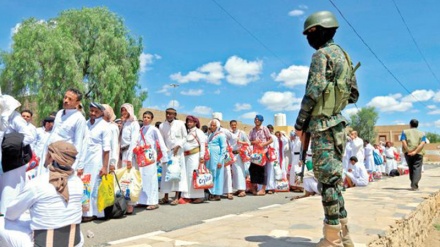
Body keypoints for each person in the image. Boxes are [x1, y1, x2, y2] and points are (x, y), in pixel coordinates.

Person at [294, 10, 359, 246]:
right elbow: (353, 94)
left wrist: (301, 122)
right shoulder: (344, 56)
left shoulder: (321, 56)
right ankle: (345, 235)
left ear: (319, 31)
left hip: (321, 125)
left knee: (328, 183)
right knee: (334, 181)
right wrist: (334, 103)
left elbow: (312, 91)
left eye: (310, 33)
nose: (309, 39)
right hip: (338, 124)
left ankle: (331, 239)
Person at [1, 141, 84, 247]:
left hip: (43, 244)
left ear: (51, 157)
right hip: (74, 243)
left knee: (2, 223)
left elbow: (11, 214)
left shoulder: (38, 183)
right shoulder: (78, 182)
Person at [0, 94, 36, 214]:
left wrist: (13, 147)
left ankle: (6, 217)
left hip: (13, 161)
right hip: (2, 159)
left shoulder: (16, 118)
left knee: (10, 190)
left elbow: (29, 136)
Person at [39, 88, 86, 176]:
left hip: (62, 157)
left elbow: (78, 143)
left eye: (70, 99)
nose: (65, 101)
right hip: (49, 152)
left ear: (77, 103)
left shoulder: (79, 118)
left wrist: (74, 165)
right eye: (65, 97)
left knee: (56, 183)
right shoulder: (60, 113)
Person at [82, 102, 110, 221]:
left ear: (101, 113)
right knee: (85, 185)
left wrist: (104, 166)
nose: (93, 113)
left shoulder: (105, 126)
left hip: (96, 160)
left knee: (94, 186)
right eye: (91, 110)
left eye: (96, 111)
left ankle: (93, 213)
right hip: (84, 159)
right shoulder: (85, 123)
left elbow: (107, 149)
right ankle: (84, 211)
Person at [136, 111, 169, 210]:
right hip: (142, 158)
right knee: (142, 178)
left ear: (151, 119)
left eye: (148, 117)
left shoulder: (154, 129)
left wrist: (164, 157)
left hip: (150, 158)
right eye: (144, 117)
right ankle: (142, 201)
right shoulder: (140, 129)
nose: (146, 119)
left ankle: (153, 202)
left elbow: (161, 143)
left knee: (151, 179)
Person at [159, 108, 188, 206]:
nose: (168, 115)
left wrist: (178, 146)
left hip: (178, 153)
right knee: (166, 174)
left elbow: (185, 137)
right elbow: (161, 139)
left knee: (177, 174)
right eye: (167, 113)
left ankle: (176, 197)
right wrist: (164, 150)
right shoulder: (162, 126)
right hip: (167, 153)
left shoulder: (180, 124)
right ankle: (166, 196)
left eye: (171, 114)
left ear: (175, 114)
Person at [182, 115, 206, 204]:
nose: (189, 123)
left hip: (195, 156)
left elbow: (202, 144)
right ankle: (188, 196)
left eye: (191, 122)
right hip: (187, 157)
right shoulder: (187, 132)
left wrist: (202, 156)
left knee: (195, 175)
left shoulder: (198, 132)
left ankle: (199, 196)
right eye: (188, 122)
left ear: (195, 123)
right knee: (187, 176)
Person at [248, 115, 272, 196]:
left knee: (263, 170)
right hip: (255, 153)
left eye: (258, 119)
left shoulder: (265, 129)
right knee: (253, 170)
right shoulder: (252, 130)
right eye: (255, 119)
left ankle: (263, 189)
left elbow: (271, 139)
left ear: (261, 121)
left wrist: (264, 144)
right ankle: (254, 187)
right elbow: (249, 141)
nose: (256, 121)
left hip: (263, 152)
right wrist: (254, 142)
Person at [400, 119, 427, 191]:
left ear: (410, 124)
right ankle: (414, 185)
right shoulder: (422, 133)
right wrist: (415, 152)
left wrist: (408, 150)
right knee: (417, 168)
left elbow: (403, 141)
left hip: (408, 153)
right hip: (418, 153)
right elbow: (422, 143)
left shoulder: (404, 132)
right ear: (417, 125)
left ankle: (413, 184)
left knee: (411, 168)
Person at [206, 119, 226, 201]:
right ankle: (212, 192)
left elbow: (223, 148)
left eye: (213, 125)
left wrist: (220, 160)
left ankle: (217, 194)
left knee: (218, 175)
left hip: (217, 158)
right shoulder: (211, 135)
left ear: (217, 126)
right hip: (211, 158)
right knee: (212, 174)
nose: (212, 127)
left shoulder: (221, 135)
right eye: (211, 125)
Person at [229, 120, 250, 197]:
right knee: (234, 172)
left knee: (240, 172)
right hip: (232, 155)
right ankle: (238, 189)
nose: (233, 126)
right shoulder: (230, 134)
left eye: (235, 125)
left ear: (237, 125)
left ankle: (242, 190)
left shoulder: (241, 133)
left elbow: (248, 143)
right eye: (232, 125)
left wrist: (240, 141)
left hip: (239, 154)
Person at [119, 103, 140, 169]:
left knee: (130, 176)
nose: (123, 112)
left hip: (130, 153)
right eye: (122, 110)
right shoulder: (125, 123)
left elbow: (134, 141)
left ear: (130, 111)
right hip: (124, 152)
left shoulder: (134, 123)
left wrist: (129, 158)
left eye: (126, 110)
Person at [102, 104, 119, 172]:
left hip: (109, 158)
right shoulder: (99, 125)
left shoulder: (113, 127)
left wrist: (112, 163)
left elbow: (114, 146)